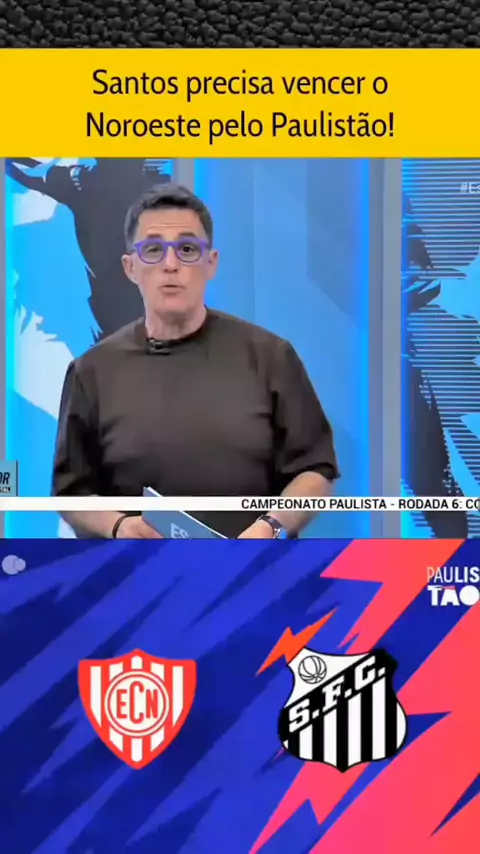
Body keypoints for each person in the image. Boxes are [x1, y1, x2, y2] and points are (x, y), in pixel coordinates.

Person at [53, 183, 339, 540]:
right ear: (130, 267)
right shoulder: (92, 371)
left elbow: (315, 471)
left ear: (211, 262)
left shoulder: (271, 357)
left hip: (251, 567)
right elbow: (71, 493)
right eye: (153, 250)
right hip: (135, 571)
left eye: (187, 249)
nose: (171, 265)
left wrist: (270, 527)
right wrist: (120, 526)